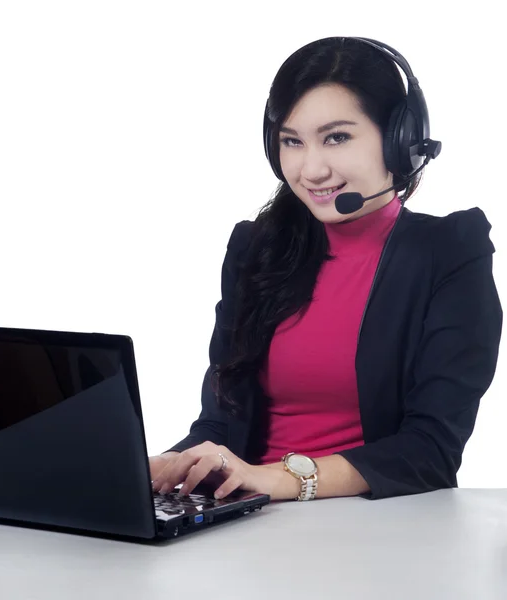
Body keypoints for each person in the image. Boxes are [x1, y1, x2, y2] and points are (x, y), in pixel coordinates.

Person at [150, 37, 503, 503]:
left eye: (337, 137)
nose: (311, 169)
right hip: (246, 519)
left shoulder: (449, 253)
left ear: (401, 141)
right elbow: (220, 423)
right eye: (292, 142)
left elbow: (430, 451)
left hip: (372, 525)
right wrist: (163, 466)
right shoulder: (255, 249)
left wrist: (277, 479)